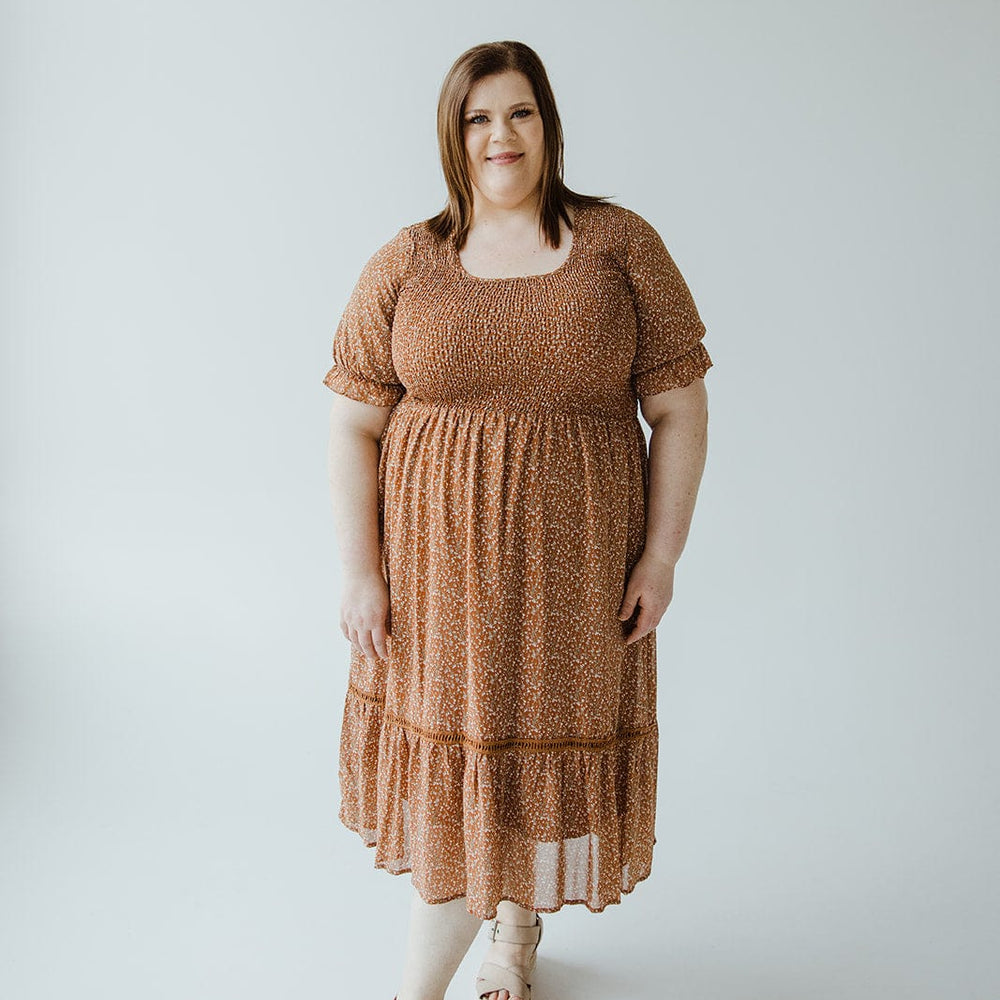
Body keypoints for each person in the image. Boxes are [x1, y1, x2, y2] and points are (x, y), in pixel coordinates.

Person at [323, 40, 713, 1000]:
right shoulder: (410, 259)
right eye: (478, 117)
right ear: (454, 137)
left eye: (521, 113)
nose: (502, 135)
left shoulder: (619, 245)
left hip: (577, 574)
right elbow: (353, 424)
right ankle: (447, 970)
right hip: (437, 586)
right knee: (465, 772)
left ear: (549, 125)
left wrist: (661, 559)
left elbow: (680, 408)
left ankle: (513, 933)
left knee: (531, 756)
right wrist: (362, 572)